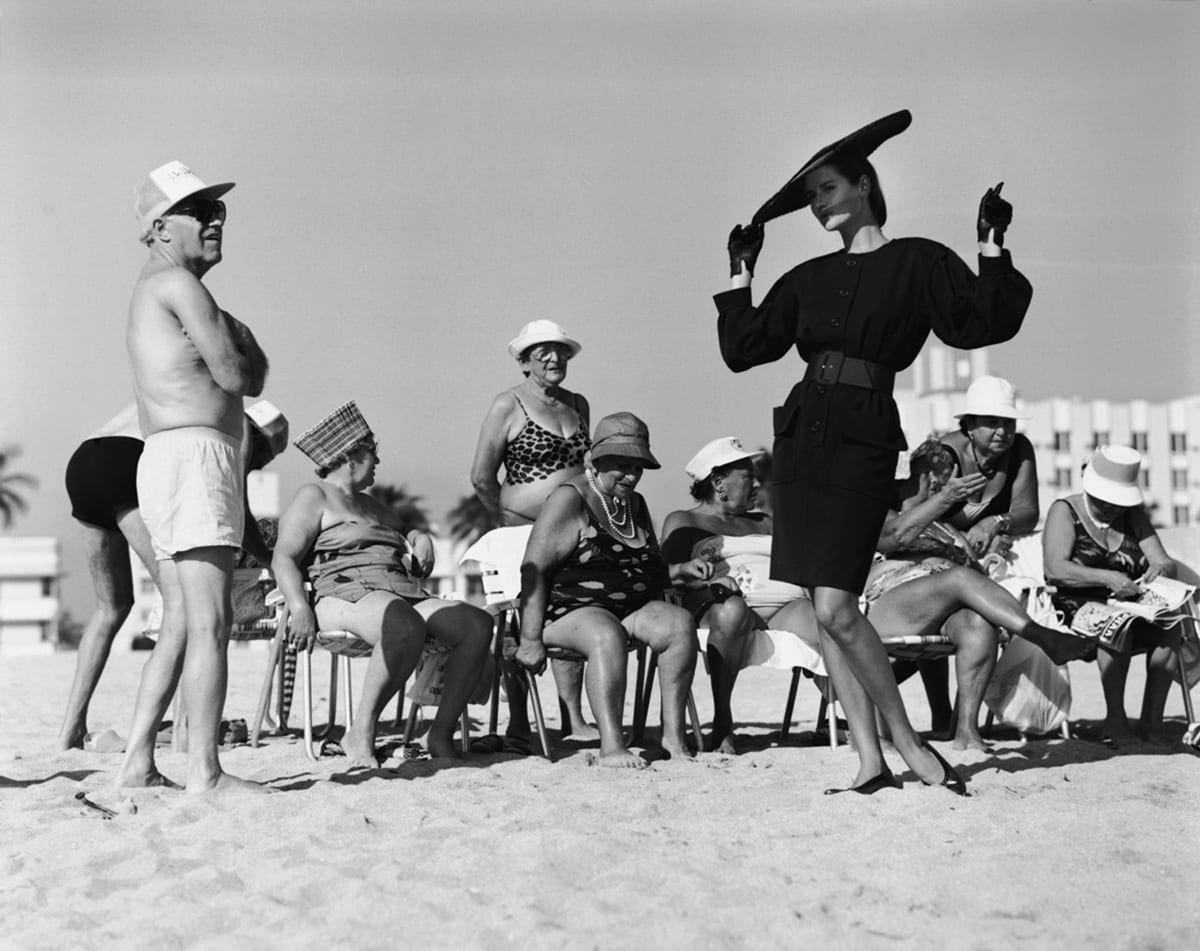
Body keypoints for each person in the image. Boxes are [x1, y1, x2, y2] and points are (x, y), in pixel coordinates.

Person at [714, 109, 1034, 794]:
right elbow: (745, 348)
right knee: (829, 607)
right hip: (801, 443)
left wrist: (991, 241)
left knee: (835, 606)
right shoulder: (804, 278)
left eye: (827, 190)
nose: (818, 206)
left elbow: (982, 319)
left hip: (863, 437)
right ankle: (869, 759)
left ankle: (909, 743)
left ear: (862, 184)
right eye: (811, 198)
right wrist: (742, 272)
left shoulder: (917, 260)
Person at [116, 160, 269, 794]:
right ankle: (205, 771)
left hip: (166, 456)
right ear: (158, 227)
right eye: (197, 210)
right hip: (195, 455)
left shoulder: (157, 287)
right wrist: (245, 338)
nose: (214, 218)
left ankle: (136, 762)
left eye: (217, 208)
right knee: (210, 622)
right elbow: (242, 377)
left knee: (180, 619)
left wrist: (236, 341)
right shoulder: (179, 285)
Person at [59, 400, 287, 752]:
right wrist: (271, 558)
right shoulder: (236, 423)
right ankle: (183, 728)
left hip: (83, 461)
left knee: (112, 606)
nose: (255, 467)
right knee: (182, 602)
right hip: (126, 464)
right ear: (259, 438)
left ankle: (70, 730)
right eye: (263, 459)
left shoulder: (190, 402)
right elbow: (237, 504)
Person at [274, 402, 492, 765]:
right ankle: (360, 731)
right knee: (401, 623)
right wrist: (298, 606)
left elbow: (407, 529)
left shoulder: (372, 506)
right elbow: (284, 556)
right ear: (350, 456)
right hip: (343, 592)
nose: (377, 462)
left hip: (398, 591)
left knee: (477, 624)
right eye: (372, 453)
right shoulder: (313, 496)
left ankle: (440, 733)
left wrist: (420, 535)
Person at [870, 438, 1093, 751]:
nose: (939, 484)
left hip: (938, 605)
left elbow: (975, 574)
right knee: (957, 578)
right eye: (931, 476)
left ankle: (966, 731)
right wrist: (950, 561)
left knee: (979, 624)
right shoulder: (883, 513)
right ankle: (1041, 636)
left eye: (944, 477)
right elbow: (893, 539)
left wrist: (983, 557)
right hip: (889, 603)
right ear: (912, 478)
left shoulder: (946, 528)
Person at [514, 413, 705, 767]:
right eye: (621, 464)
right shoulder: (570, 499)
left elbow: (653, 566)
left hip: (629, 606)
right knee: (606, 633)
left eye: (638, 466)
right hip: (568, 611)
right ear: (594, 459)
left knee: (679, 623)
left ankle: (673, 737)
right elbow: (533, 570)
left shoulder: (635, 504)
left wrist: (678, 574)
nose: (631, 475)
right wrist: (529, 639)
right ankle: (612, 746)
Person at [470, 320, 595, 740]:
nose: (553, 358)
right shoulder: (508, 405)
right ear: (524, 361)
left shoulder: (579, 403)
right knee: (516, 622)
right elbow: (482, 477)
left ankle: (572, 717)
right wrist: (505, 521)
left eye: (560, 351)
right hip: (521, 531)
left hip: (574, 529)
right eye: (542, 352)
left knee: (572, 612)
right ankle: (522, 720)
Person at [661, 437, 817, 754]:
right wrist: (705, 579)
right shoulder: (685, 520)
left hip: (786, 607)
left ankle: (861, 721)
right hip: (719, 605)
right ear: (719, 482)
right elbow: (667, 575)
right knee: (732, 610)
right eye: (747, 475)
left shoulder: (766, 521)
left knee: (830, 619)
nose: (757, 482)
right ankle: (723, 720)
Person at [1043, 445, 1183, 747]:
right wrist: (1107, 577)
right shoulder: (1064, 511)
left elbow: (1163, 560)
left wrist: (1160, 570)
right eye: (1105, 500)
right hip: (1074, 604)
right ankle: (1115, 721)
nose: (1111, 506)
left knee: (1170, 629)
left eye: (1117, 501)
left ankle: (1151, 722)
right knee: (1118, 626)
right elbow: (1055, 569)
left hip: (1129, 603)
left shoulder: (1134, 516)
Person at [939, 375, 1039, 557]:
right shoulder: (943, 457)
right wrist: (966, 541)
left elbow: (1028, 513)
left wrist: (996, 522)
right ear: (970, 424)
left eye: (1008, 422)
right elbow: (917, 520)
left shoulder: (1019, 448)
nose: (1002, 431)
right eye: (992, 422)